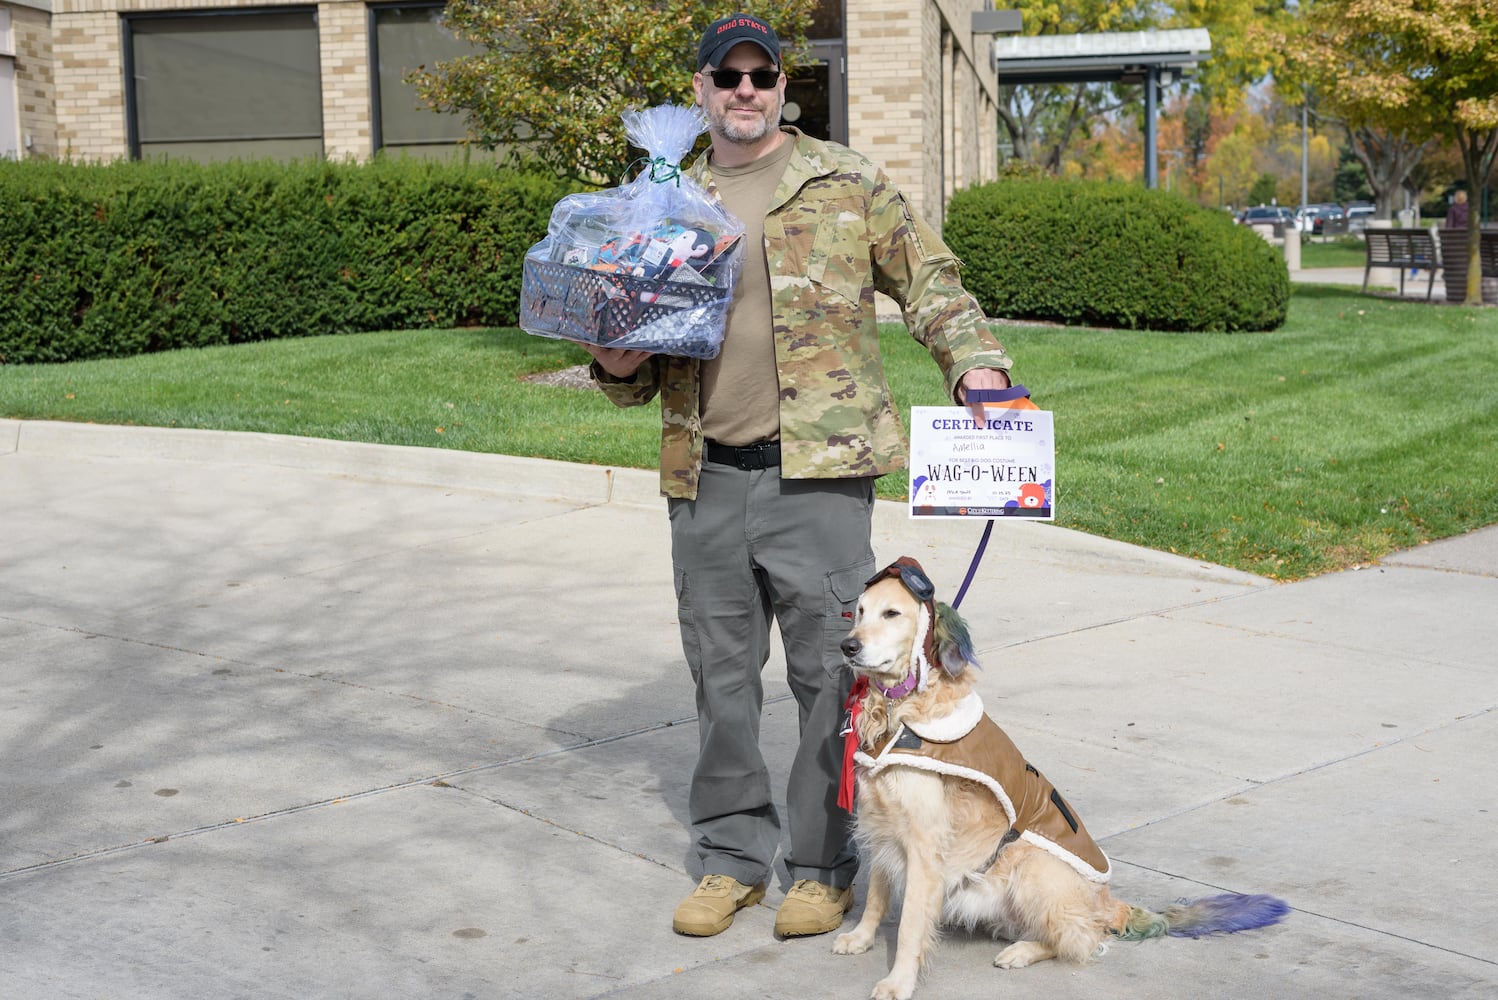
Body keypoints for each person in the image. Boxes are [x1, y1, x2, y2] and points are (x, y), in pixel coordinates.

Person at [582, 11, 1016, 939]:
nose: (744, 90)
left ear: (784, 88)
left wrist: (974, 364)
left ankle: (822, 866)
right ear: (698, 91)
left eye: (760, 75)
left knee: (832, 679)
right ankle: (732, 858)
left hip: (818, 480)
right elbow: (637, 357)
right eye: (725, 75)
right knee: (721, 678)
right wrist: (615, 364)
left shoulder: (844, 180)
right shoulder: (665, 199)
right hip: (705, 477)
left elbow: (930, 281)